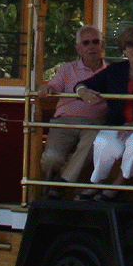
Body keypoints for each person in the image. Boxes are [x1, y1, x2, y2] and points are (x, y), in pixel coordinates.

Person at [77, 24, 133, 197]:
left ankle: (118, 185)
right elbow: (84, 85)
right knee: (102, 143)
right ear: (124, 49)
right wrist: (82, 91)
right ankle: (97, 183)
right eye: (130, 45)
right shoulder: (114, 70)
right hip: (118, 123)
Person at [36, 25, 108, 187]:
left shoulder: (111, 72)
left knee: (93, 141)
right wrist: (47, 88)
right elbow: (53, 86)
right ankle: (48, 185)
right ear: (78, 49)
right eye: (86, 43)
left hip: (94, 124)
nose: (91, 46)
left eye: (95, 42)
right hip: (65, 123)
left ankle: (62, 185)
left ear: (102, 45)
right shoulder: (66, 69)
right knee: (52, 158)